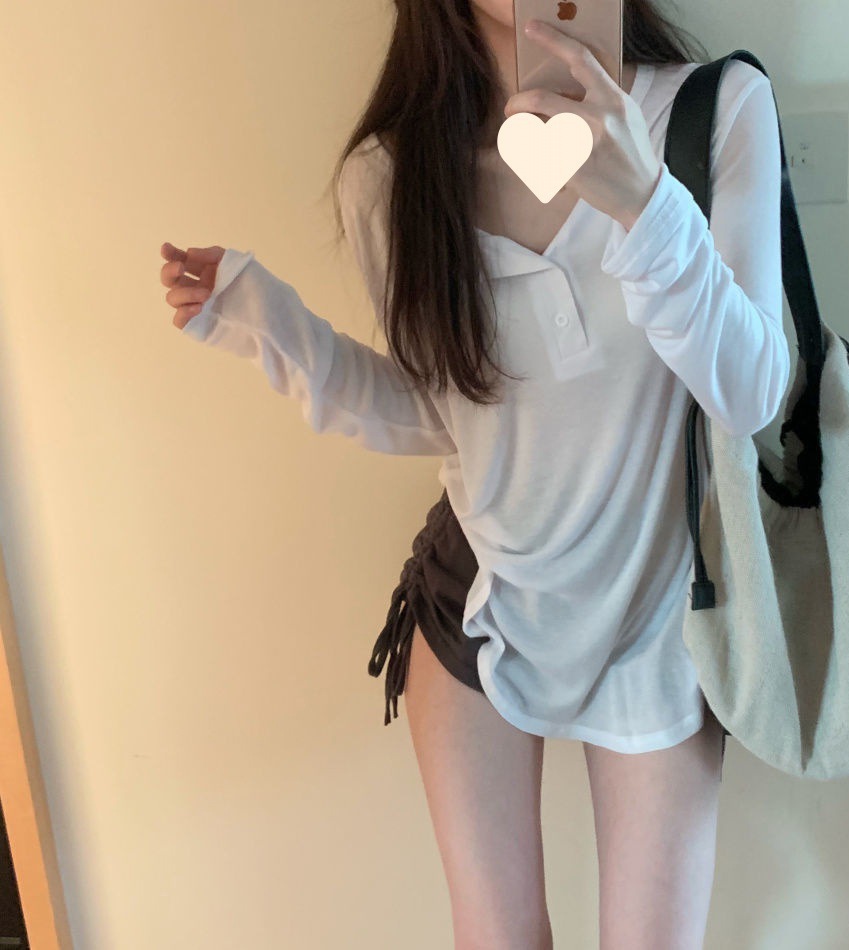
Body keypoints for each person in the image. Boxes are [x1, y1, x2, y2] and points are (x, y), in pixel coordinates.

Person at [159, 0, 788, 945]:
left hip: (660, 613)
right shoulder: (392, 176)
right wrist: (269, 326)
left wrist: (645, 201)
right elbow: (440, 416)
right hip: (482, 602)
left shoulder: (715, 110)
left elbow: (752, 394)